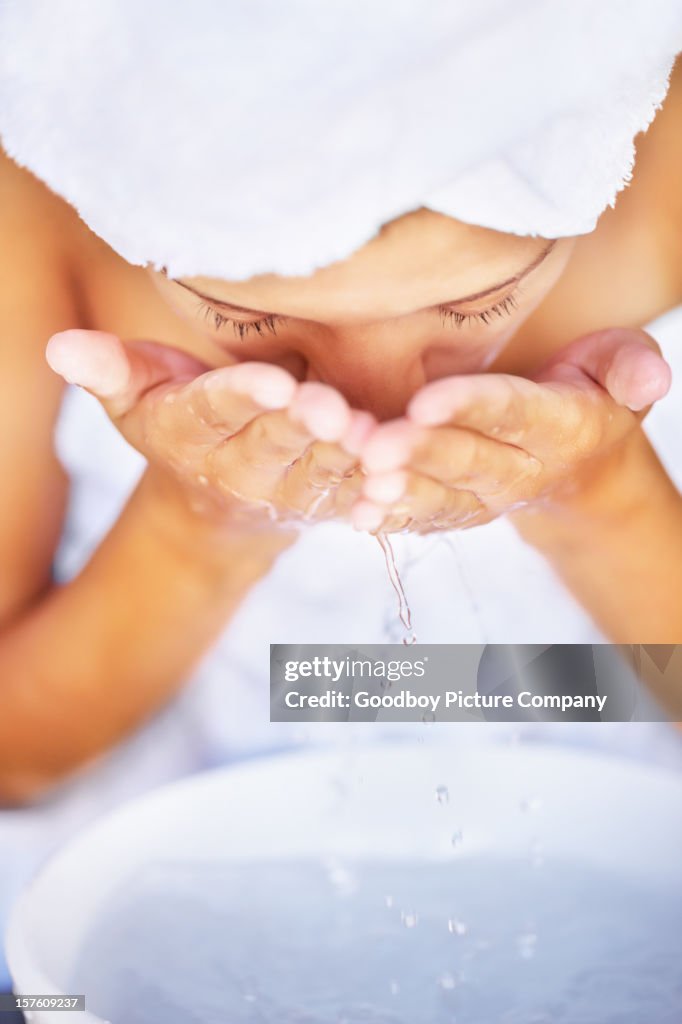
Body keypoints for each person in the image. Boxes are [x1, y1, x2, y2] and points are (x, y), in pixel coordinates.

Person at [0, 2, 681, 965]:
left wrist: (598, 500)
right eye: (242, 317)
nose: (377, 413)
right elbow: (13, 757)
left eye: (482, 301)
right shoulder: (29, 217)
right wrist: (199, 526)